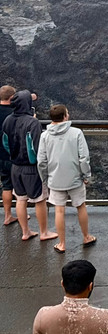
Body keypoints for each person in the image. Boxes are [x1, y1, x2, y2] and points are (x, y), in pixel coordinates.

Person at [38, 104, 95, 252]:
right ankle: (86, 236)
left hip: (54, 179)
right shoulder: (76, 133)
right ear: (65, 116)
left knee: (59, 210)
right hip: (75, 178)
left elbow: (41, 161)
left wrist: (45, 178)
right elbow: (84, 158)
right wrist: (86, 175)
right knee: (81, 206)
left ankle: (62, 244)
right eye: (67, 113)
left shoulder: (44, 136)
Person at [2, 88, 57, 242]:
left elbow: (6, 143)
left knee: (20, 199)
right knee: (40, 200)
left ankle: (25, 232)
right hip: (31, 168)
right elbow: (37, 148)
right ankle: (44, 232)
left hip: (15, 166)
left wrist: (15, 156)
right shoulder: (33, 123)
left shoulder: (8, 120)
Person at [0, 84, 17, 226]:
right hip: (15, 156)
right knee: (20, 187)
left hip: (1, 155)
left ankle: (7, 216)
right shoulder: (15, 114)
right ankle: (21, 213)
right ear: (12, 98)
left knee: (6, 186)